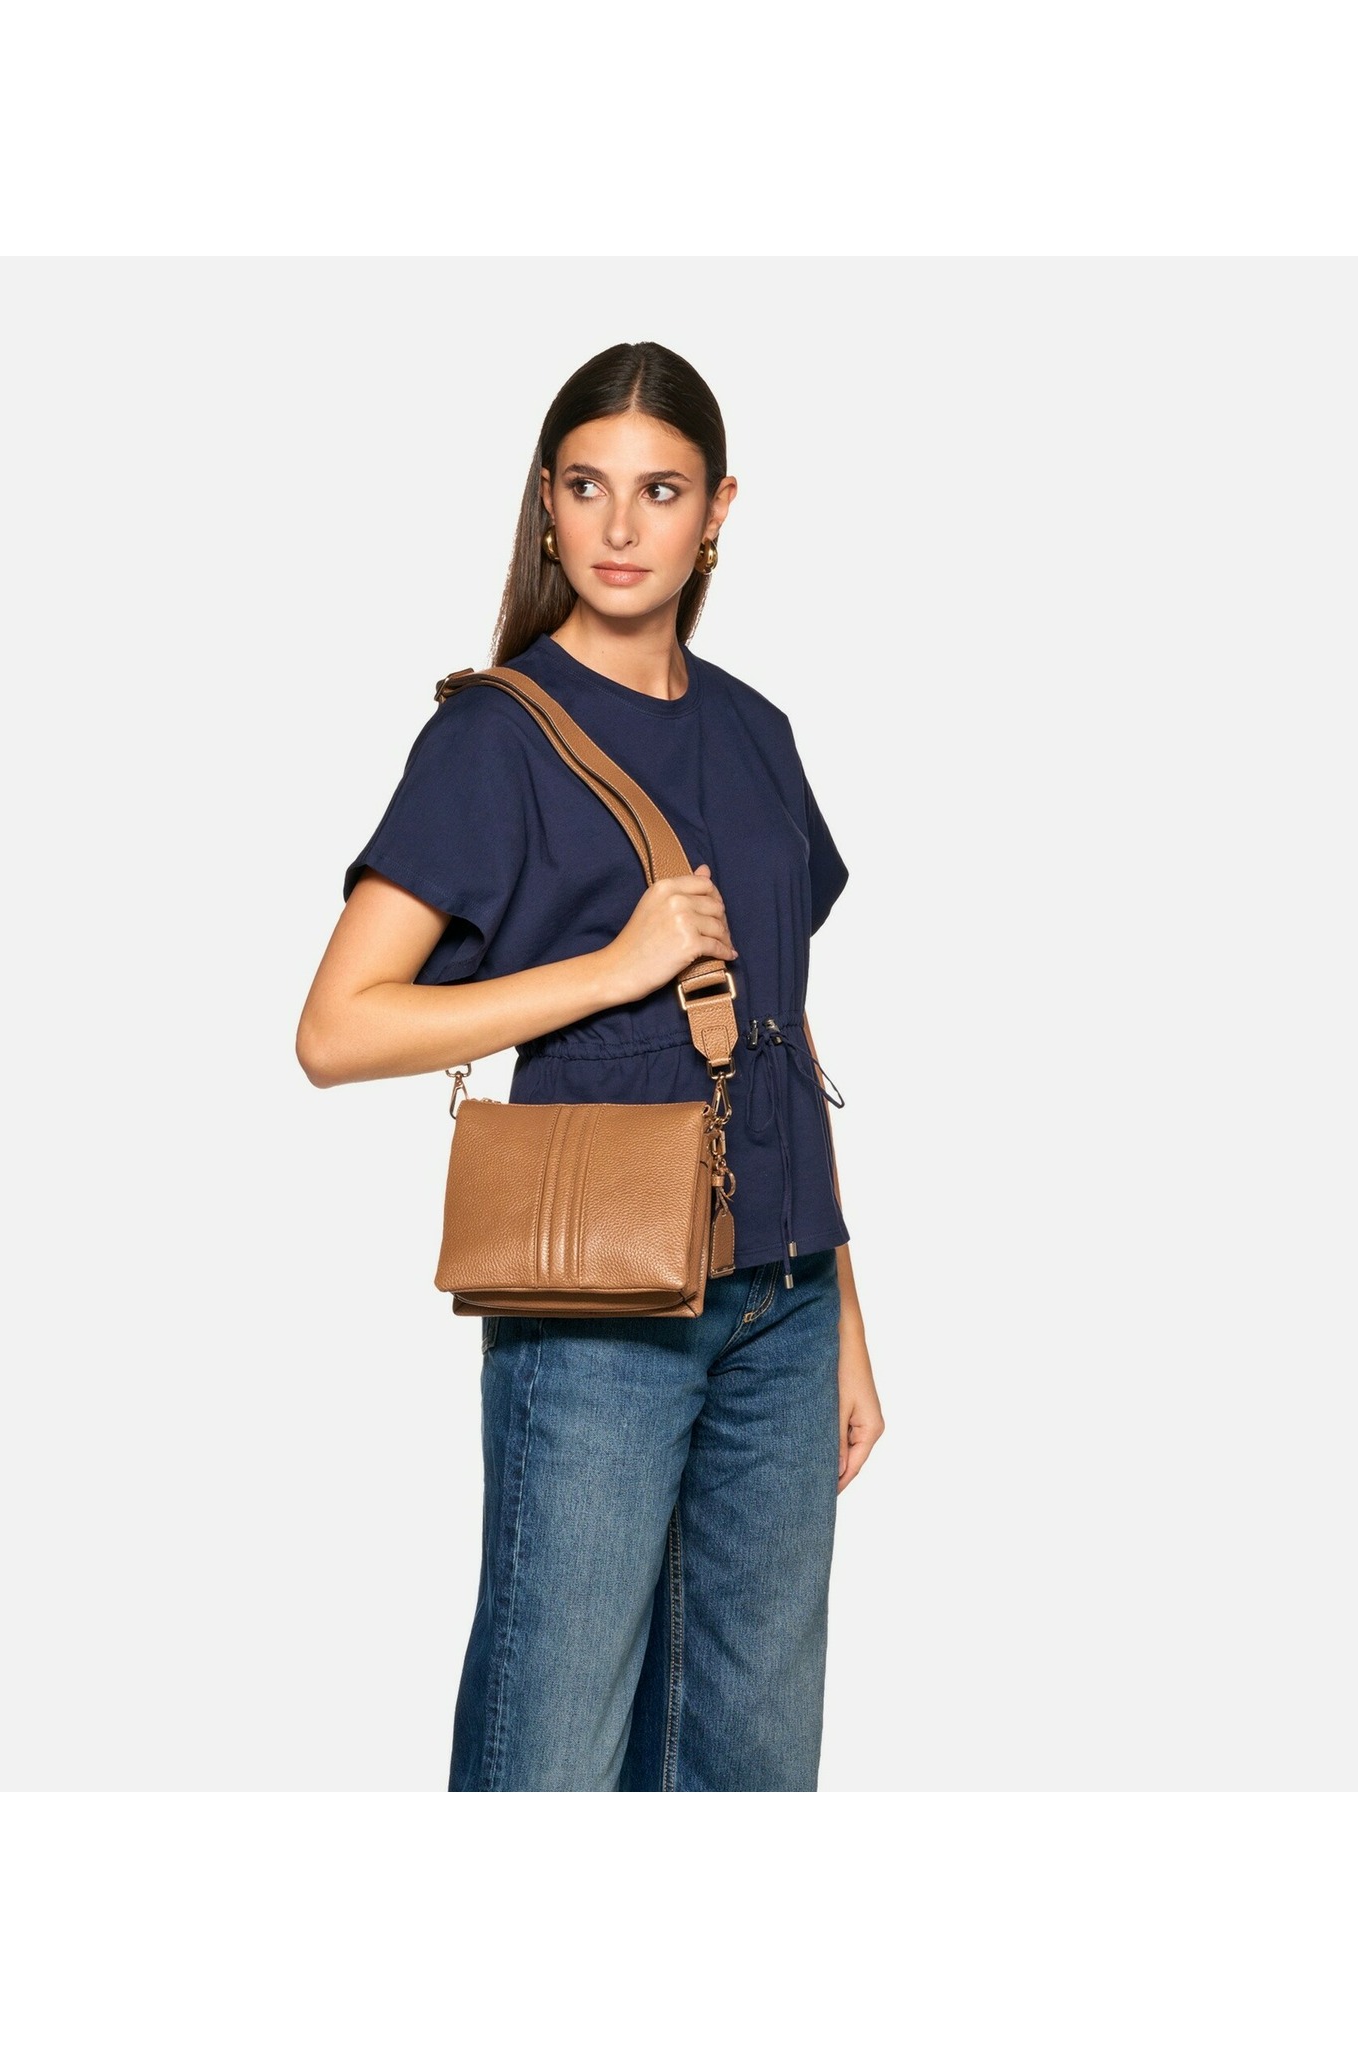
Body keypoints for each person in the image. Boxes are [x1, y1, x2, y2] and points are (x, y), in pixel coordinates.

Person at [296, 340, 885, 1791]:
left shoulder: (757, 732)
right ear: (546, 504)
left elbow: (783, 1024)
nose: (622, 527)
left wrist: (847, 1314)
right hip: (598, 1309)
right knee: (549, 1756)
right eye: (587, 486)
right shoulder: (492, 738)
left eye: (661, 490)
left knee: (755, 1761)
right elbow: (336, 1027)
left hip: (783, 1306)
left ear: (718, 510)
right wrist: (610, 969)